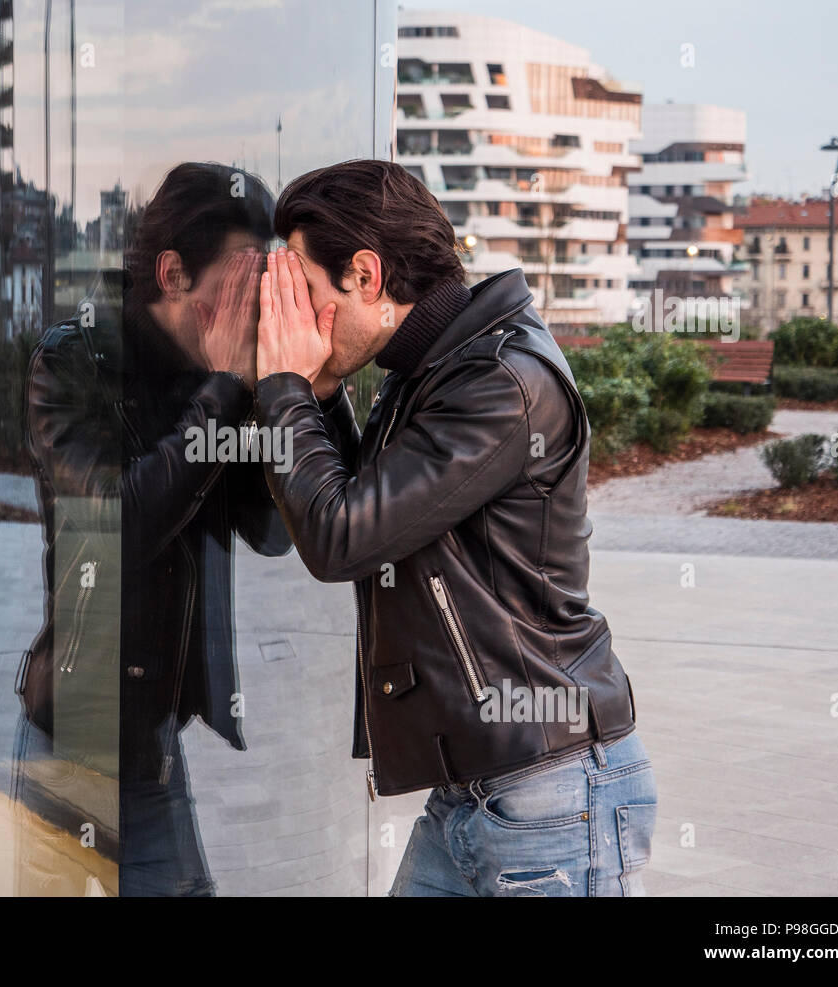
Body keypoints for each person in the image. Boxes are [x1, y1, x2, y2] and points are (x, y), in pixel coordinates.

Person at [252, 159, 657, 896]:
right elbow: (368, 505)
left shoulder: (500, 381)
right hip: (478, 787)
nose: (301, 322)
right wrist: (319, 391)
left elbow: (341, 534)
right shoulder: (434, 371)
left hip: (552, 793)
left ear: (366, 275)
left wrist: (283, 388)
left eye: (308, 294)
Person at [14, 162, 291, 896]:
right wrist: (228, 391)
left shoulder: (206, 378)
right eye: (234, 289)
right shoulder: (72, 361)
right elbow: (115, 528)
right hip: (72, 741)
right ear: (172, 272)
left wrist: (291, 391)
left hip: (151, 741)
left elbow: (273, 531)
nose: (246, 312)